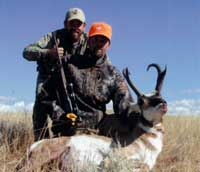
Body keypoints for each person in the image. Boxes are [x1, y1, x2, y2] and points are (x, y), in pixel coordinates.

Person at [52, 22, 135, 136]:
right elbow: (47, 96)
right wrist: (61, 115)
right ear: (88, 41)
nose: (98, 44)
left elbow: (125, 106)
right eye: (95, 40)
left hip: (99, 130)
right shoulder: (68, 63)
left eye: (102, 41)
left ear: (108, 45)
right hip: (70, 127)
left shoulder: (113, 73)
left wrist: (145, 113)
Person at [23, 7, 88, 141]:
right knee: (40, 110)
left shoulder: (89, 41)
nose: (75, 27)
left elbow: (103, 62)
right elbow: (27, 52)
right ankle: (40, 145)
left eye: (78, 24)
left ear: (84, 26)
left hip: (72, 84)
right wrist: (48, 53)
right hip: (48, 80)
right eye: (72, 23)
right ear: (65, 24)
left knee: (70, 114)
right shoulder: (53, 37)